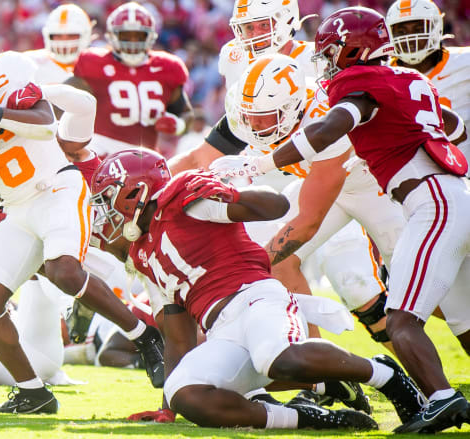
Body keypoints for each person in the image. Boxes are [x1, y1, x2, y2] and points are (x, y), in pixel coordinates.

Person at [218, 7, 470, 433]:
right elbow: (456, 127)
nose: (326, 61)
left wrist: (260, 167)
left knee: (412, 314)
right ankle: (325, 379)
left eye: (331, 51)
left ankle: (438, 397)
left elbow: (326, 139)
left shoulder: (353, 88)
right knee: (459, 313)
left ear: (353, 49)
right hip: (435, 192)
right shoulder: (409, 78)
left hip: (407, 197)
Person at [0, 24, 164, 414]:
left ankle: (144, 336)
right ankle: (32, 393)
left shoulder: (6, 70)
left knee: (63, 271)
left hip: (57, 188)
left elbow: (45, 126)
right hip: (14, 208)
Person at [90, 148, 424, 431]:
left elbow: (275, 206)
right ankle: (307, 419)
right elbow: (179, 337)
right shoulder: (144, 253)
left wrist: (229, 190)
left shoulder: (184, 197)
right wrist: (168, 408)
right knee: (185, 392)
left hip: (256, 298)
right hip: (220, 329)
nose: (105, 212)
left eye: (108, 198)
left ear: (135, 189)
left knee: (278, 359)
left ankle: (385, 375)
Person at [209, 53, 406, 350]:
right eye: (247, 113)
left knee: (431, 295)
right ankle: (318, 368)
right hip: (327, 189)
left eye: (262, 115)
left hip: (375, 187)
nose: (252, 123)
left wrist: (252, 266)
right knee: (279, 263)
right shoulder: (272, 105)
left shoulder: (324, 115)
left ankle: (431, 384)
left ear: (293, 108)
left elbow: (308, 222)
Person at [168, 0, 312, 173]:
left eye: (264, 25)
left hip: (314, 163)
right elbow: (205, 154)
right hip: (258, 166)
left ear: (287, 20)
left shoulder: (315, 60)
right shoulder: (235, 59)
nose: (255, 35)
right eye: (248, 27)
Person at [66, 1, 193, 156]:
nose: (133, 42)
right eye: (126, 36)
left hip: (145, 156)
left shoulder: (167, 67)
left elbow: (185, 113)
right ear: (112, 36)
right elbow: (67, 101)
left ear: (151, 36)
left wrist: (178, 125)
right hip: (100, 151)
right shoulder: (93, 63)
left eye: (139, 36)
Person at [386, 0, 469, 158]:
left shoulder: (464, 62)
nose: (411, 37)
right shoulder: (381, 74)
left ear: (436, 28)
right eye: (402, 31)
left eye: (418, 29)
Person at [26, 3, 94, 86]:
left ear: (85, 35)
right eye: (58, 35)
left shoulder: (96, 65)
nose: (64, 41)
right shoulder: (30, 63)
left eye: (71, 35)